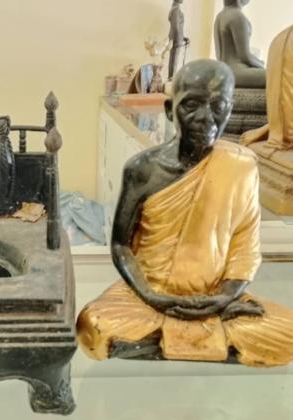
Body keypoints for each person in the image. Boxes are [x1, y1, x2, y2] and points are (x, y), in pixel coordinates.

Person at [77, 59, 293, 367]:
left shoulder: (241, 165)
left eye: (218, 106)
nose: (205, 118)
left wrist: (225, 297)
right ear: (169, 110)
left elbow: (245, 246)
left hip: (217, 297)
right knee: (93, 325)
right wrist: (152, 296)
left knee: (287, 331)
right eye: (191, 105)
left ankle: (172, 340)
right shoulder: (143, 169)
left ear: (230, 110)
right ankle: (213, 342)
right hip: (150, 296)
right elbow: (121, 245)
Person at [214, 0, 266, 88]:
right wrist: (262, 64)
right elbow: (245, 57)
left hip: (223, 70)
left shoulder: (220, 16)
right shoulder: (238, 17)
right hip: (236, 71)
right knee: (276, 76)